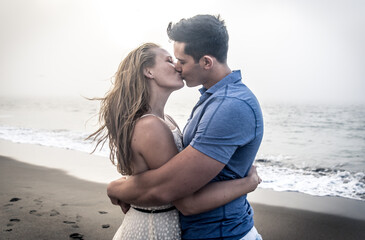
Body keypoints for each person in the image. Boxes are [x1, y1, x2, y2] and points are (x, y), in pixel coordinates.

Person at [106, 15, 264, 239]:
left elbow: (168, 186)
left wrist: (118, 187)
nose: (177, 67)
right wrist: (248, 183)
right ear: (148, 72)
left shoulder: (227, 105)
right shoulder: (209, 102)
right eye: (171, 60)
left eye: (180, 60)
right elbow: (170, 188)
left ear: (207, 62)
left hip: (222, 233)